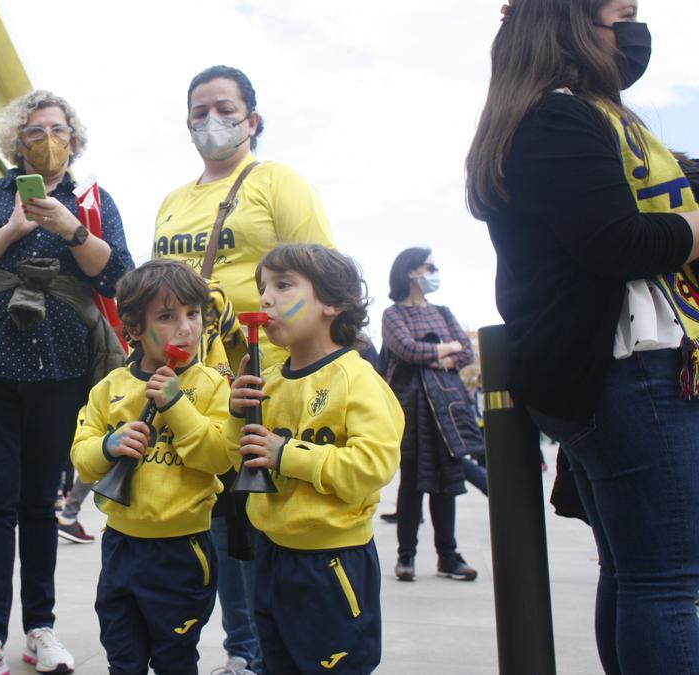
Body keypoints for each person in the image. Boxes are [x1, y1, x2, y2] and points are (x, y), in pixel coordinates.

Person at [465, 1, 699, 671]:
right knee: (665, 582)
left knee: (636, 574)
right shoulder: (557, 119)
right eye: (619, 13)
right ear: (568, 24)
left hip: (622, 378)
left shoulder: (582, 120)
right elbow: (617, 242)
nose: (633, 30)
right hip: (633, 375)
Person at [0, 89, 133, 675]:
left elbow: (119, 273)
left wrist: (72, 229)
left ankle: (41, 629)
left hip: (63, 365)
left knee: (42, 503)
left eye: (59, 129)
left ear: (75, 138)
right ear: (16, 141)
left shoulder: (91, 201)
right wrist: (12, 231)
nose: (49, 140)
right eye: (35, 131)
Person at [155, 65, 336, 675]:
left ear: (252, 119)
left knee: (263, 514)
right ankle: (243, 650)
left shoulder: (277, 182)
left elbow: (322, 275)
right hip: (198, 384)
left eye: (226, 108)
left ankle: (267, 649)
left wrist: (317, 367)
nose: (212, 120)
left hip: (270, 375)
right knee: (219, 517)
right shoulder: (173, 204)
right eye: (199, 111)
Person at [226, 243, 402, 673]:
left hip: (332, 561)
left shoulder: (356, 378)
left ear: (334, 304)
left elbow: (371, 465)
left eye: (283, 285)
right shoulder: (268, 381)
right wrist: (235, 416)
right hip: (272, 555)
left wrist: (287, 454)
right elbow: (238, 459)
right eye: (262, 287)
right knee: (277, 662)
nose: (265, 298)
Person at [72, 259, 232, 674]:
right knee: (122, 654)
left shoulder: (211, 384)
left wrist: (177, 405)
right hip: (122, 545)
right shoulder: (110, 389)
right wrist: (109, 446)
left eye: (193, 314)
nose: (186, 328)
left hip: (183, 550)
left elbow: (219, 456)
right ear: (133, 328)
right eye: (167, 316)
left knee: (174, 657)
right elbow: (82, 458)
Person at [379, 247, 479, 582]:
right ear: (410, 272)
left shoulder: (443, 310)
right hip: (411, 407)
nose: (433, 272)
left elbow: (465, 350)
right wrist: (443, 350)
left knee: (447, 481)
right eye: (428, 267)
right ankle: (406, 555)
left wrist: (435, 355)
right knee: (412, 483)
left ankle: (447, 556)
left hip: (446, 407)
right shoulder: (393, 315)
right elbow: (406, 348)